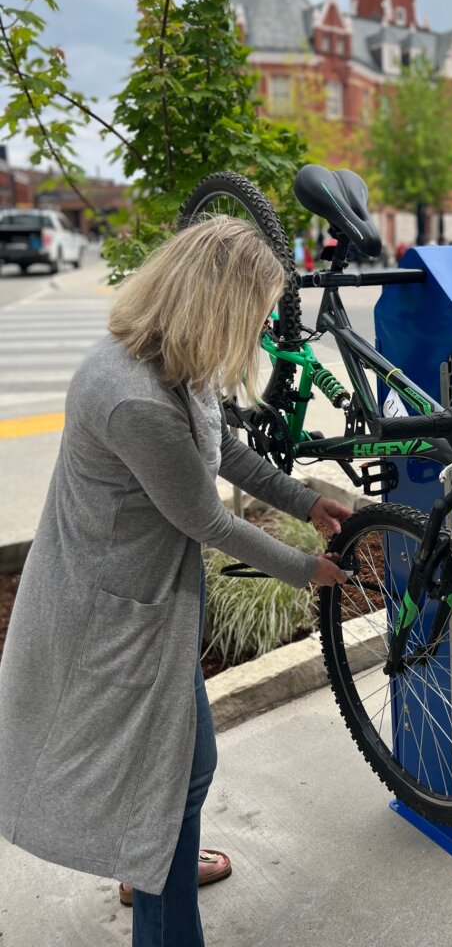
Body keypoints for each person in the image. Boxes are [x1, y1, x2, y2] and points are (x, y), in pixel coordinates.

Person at [0, 216, 351, 946]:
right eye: (254, 314)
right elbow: (209, 521)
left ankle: (149, 855)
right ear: (216, 306)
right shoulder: (132, 395)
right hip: (109, 612)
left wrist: (302, 500)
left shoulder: (174, 364)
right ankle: (160, 898)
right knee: (182, 772)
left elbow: (222, 451)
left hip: (148, 595)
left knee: (175, 770)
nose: (258, 331)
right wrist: (307, 571)